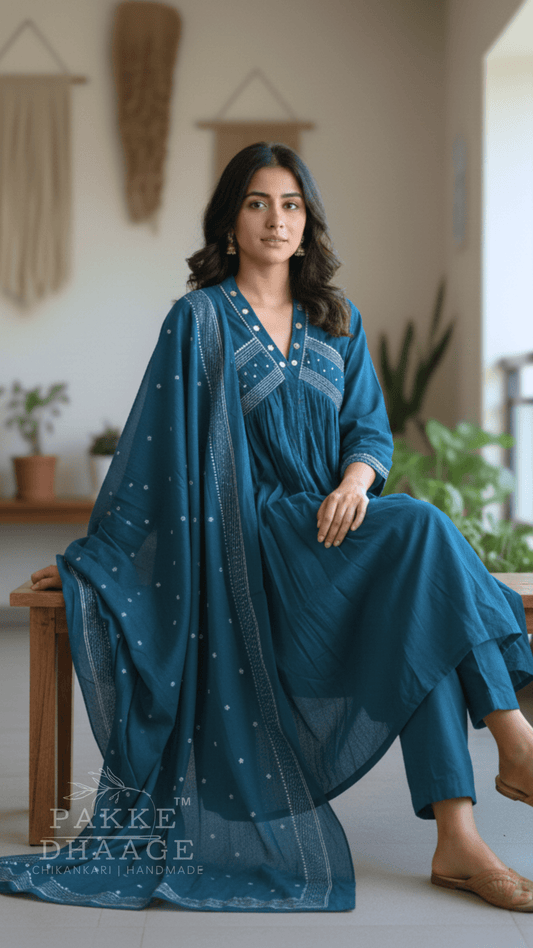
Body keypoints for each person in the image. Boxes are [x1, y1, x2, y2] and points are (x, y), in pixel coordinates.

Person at [2, 142, 533, 914]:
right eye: (257, 202)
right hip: (246, 551)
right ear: (231, 222)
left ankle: (459, 837)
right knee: (419, 532)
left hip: (331, 529)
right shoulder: (198, 319)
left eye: (290, 204)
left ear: (307, 220)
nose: (275, 219)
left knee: (413, 586)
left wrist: (355, 480)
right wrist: (96, 562)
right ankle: (513, 731)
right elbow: (151, 457)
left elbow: (370, 432)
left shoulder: (337, 320)